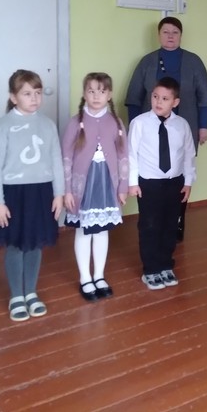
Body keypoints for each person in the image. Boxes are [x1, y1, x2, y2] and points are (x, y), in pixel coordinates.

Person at [125, 16, 207, 241]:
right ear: (159, 35)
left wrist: (203, 126)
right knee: (153, 178)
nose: (170, 36)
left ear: (181, 35)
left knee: (181, 174)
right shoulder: (147, 62)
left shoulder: (194, 61)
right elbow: (134, 98)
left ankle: (177, 222)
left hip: (185, 127)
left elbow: (204, 97)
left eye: (175, 32)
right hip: (151, 132)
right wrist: (133, 129)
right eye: (166, 32)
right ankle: (152, 224)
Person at [0, 70, 64, 322]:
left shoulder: (48, 125)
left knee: (35, 243)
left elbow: (56, 161)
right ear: (13, 97)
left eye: (38, 93)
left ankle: (30, 292)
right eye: (27, 93)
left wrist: (59, 193)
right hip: (13, 194)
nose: (34, 98)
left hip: (41, 192)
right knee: (15, 244)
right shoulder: (2, 127)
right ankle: (16, 296)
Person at [61, 72, 129, 301]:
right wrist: (67, 190)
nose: (96, 96)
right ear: (84, 94)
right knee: (83, 230)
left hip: (107, 183)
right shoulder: (75, 122)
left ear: (109, 95)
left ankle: (99, 275)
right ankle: (85, 278)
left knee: (101, 231)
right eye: (91, 91)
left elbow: (123, 156)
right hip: (83, 186)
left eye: (101, 91)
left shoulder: (116, 122)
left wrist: (122, 186)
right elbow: (66, 158)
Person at [128, 77, 196, 291]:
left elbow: (189, 155)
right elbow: (131, 155)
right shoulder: (139, 123)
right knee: (150, 225)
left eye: (165, 98)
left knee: (170, 225)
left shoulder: (182, 125)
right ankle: (151, 269)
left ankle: (166, 264)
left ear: (175, 102)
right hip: (149, 183)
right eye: (156, 96)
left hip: (174, 182)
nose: (158, 101)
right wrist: (132, 182)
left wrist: (188, 181)